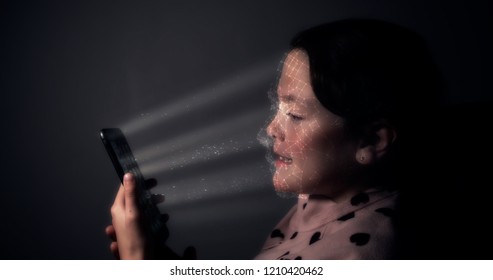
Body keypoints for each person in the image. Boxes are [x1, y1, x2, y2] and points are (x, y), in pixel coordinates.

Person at [105, 19, 442, 259]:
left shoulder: (360, 255)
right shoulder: (324, 201)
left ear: (372, 140)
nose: (271, 129)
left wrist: (136, 263)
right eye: (278, 108)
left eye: (294, 115)